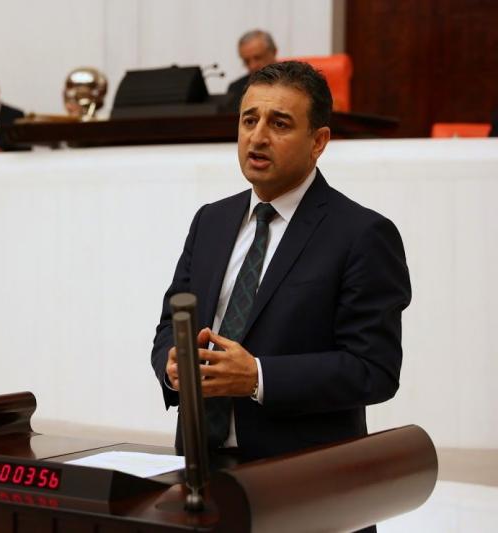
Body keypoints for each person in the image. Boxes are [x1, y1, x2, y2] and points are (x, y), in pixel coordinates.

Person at [151, 62, 411, 467]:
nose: (257, 137)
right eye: (249, 120)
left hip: (302, 474)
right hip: (200, 460)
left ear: (318, 141)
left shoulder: (362, 234)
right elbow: (171, 323)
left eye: (280, 124)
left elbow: (374, 368)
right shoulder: (211, 221)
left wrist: (258, 377)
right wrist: (173, 364)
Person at [226, 30, 278, 112]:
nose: (252, 66)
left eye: (258, 58)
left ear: (274, 52)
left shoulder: (294, 83)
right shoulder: (235, 89)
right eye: (246, 61)